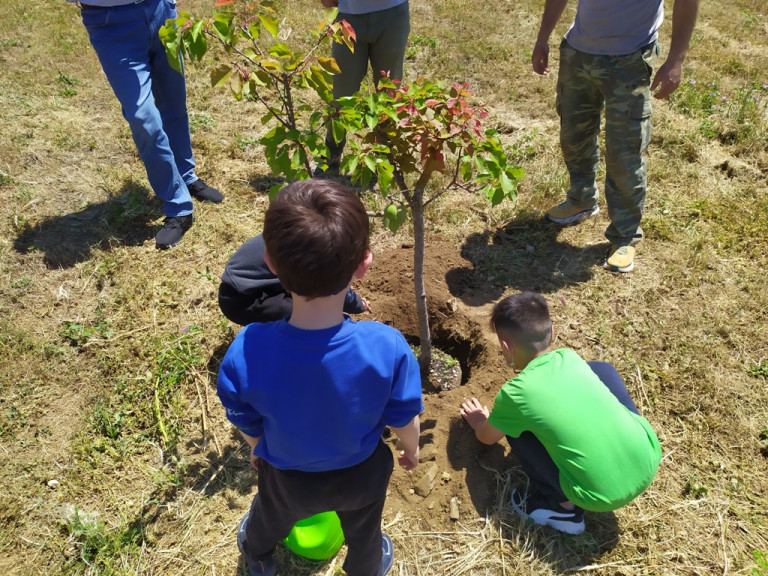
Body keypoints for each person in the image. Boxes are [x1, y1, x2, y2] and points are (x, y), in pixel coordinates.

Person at [217, 179, 423, 576]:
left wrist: (259, 447)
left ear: (271, 265)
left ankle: (258, 554)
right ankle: (365, 566)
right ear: (364, 264)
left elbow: (243, 416)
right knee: (365, 526)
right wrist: (411, 450)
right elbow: (403, 418)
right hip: (362, 471)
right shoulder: (388, 346)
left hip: (288, 475)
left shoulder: (247, 348)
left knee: (270, 517)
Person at [460, 292, 661, 535]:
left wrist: (480, 421)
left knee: (516, 431)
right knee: (599, 370)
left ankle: (562, 509)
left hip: (599, 497)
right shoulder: (570, 357)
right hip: (648, 457)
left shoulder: (515, 394)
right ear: (552, 332)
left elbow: (487, 437)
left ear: (505, 347)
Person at [532, 0, 699, 272]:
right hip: (578, 52)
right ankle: (581, 199)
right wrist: (543, 37)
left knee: (625, 150)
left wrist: (676, 60)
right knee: (574, 136)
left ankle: (624, 235)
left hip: (630, 59)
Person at [72, 0, 224, 249]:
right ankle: (178, 205)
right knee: (143, 117)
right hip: (109, 21)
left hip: (161, 11)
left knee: (174, 102)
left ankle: (185, 175)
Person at [318, 0, 411, 172]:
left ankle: (384, 158)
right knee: (341, 93)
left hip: (392, 14)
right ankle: (331, 154)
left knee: (388, 93)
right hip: (347, 17)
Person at [218, 234, 369, 326]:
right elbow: (331, 286)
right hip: (243, 299)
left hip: (254, 284)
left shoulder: (299, 229)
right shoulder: (314, 252)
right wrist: (357, 304)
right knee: (314, 318)